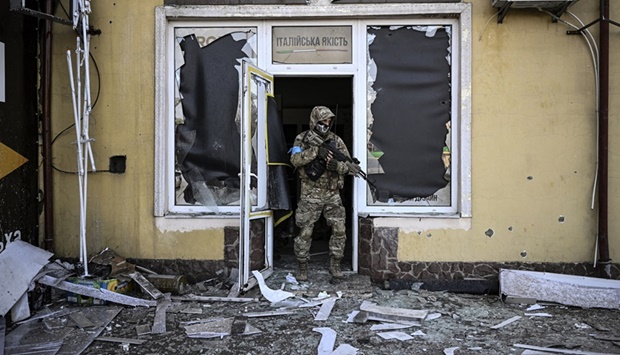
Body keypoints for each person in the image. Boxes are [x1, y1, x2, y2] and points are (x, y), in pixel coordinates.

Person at [289, 106, 353, 281]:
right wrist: (315, 152)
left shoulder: (336, 141)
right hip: (310, 194)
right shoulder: (302, 139)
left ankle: (335, 264)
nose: (327, 123)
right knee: (306, 232)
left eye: (329, 120)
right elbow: (295, 160)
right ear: (314, 121)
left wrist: (337, 166)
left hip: (332, 193)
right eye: (323, 120)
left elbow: (350, 167)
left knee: (339, 230)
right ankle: (302, 266)